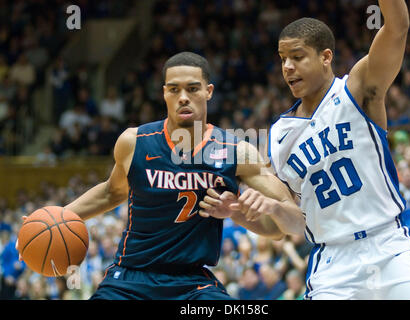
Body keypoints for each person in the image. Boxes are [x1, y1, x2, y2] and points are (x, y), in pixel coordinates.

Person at [204, 0, 410, 300]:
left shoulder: (357, 90)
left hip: (390, 245)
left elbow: (397, 27)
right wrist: (239, 214)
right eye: (282, 58)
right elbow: (287, 225)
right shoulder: (280, 135)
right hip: (333, 263)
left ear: (325, 57)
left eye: (297, 57)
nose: (287, 67)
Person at [20, 52, 302, 300]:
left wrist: (236, 213)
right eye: (174, 89)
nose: (183, 97)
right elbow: (111, 192)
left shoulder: (237, 152)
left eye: (193, 89)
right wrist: (53, 219)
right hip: (130, 279)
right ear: (164, 93)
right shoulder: (135, 142)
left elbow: (281, 227)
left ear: (209, 92)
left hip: (192, 282)